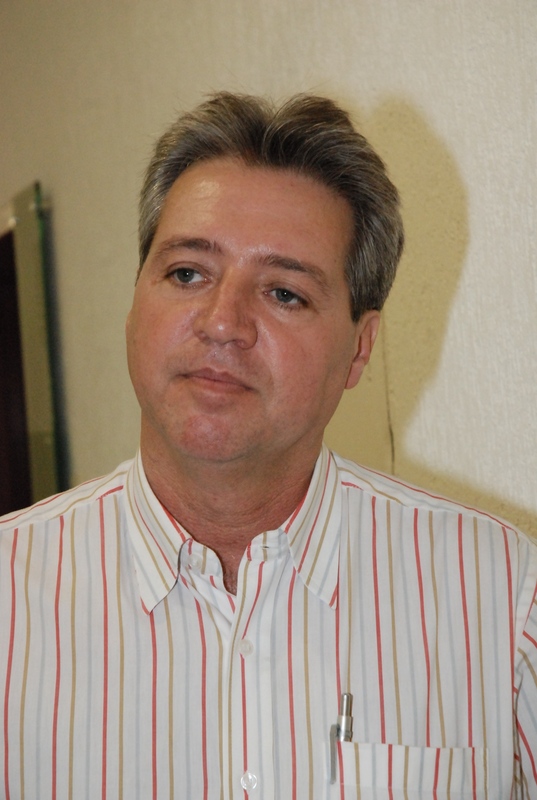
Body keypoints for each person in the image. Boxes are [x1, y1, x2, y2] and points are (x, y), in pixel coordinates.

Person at [1, 92, 536, 800]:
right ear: (134, 306)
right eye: (187, 273)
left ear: (359, 349)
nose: (222, 323)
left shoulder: (501, 594)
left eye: (284, 292)